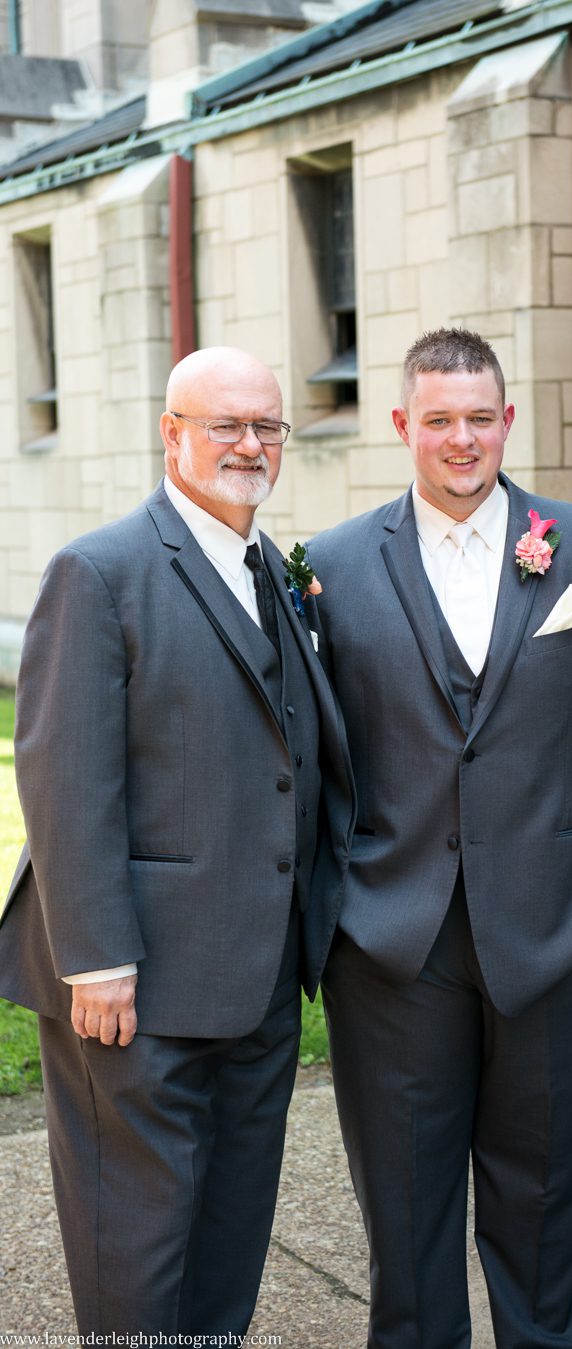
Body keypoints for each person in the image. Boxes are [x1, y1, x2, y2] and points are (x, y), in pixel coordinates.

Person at [305, 326, 572, 1348]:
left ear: (508, 420)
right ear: (402, 425)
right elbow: (317, 750)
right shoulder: (331, 564)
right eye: (439, 420)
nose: (461, 438)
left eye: (479, 417)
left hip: (558, 931)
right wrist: (338, 906)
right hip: (393, 944)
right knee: (406, 1223)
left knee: (546, 1215)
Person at [0, 347, 354, 1336]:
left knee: (228, 1239)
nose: (250, 444)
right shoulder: (100, 571)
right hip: (136, 985)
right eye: (224, 425)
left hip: (260, 975)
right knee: (137, 1243)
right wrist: (97, 957)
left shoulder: (274, 569)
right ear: (171, 434)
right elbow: (66, 777)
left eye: (267, 425)